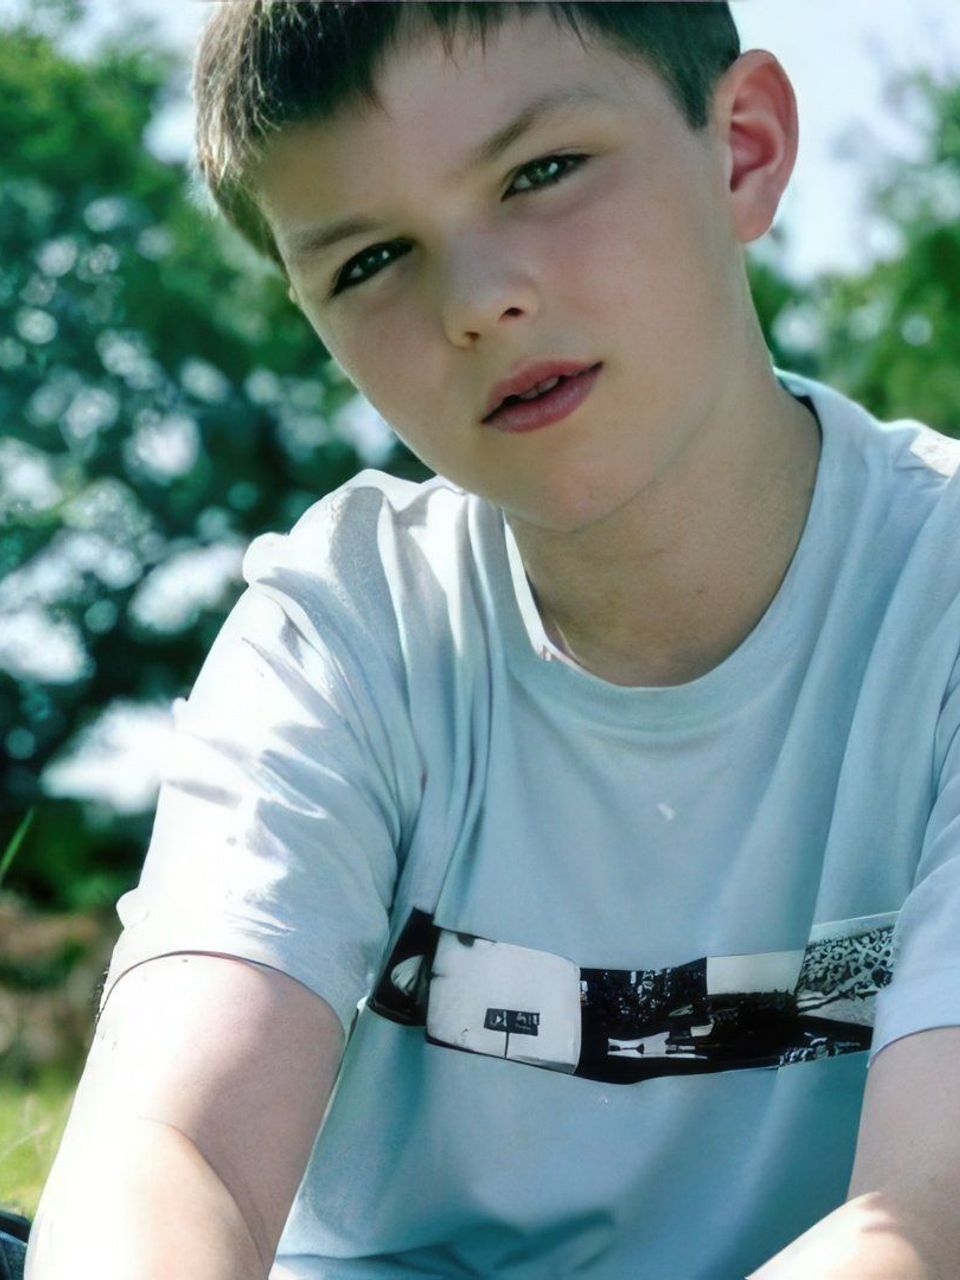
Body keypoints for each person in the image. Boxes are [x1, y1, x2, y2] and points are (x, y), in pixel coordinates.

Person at [22, 3, 960, 1277]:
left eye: (542, 171)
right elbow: (168, 1146)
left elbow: (931, 1214)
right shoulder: (343, 629)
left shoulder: (936, 589)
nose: (477, 302)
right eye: (370, 260)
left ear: (742, 147)